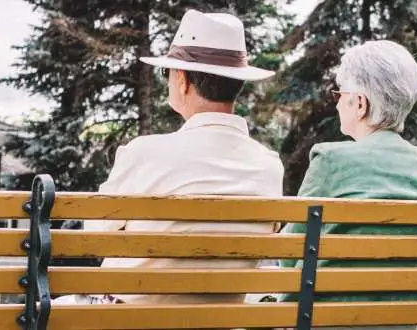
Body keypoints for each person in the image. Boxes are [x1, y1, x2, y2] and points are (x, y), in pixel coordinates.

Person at [53, 9, 283, 306]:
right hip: (222, 321)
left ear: (183, 80)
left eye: (168, 72)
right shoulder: (268, 165)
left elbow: (94, 235)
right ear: (237, 84)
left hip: (131, 320)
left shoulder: (144, 153)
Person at [277, 40, 417, 329]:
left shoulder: (329, 160)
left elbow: (288, 255)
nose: (336, 102)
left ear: (360, 104)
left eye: (339, 93)